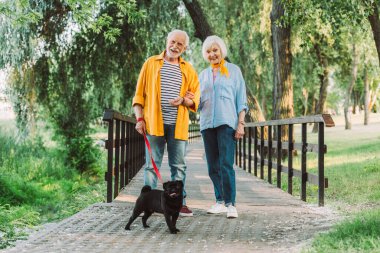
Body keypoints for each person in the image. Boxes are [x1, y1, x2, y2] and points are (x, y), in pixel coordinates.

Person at [132, 29, 200, 217]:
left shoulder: (189, 69)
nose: (175, 46)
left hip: (177, 125)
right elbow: (139, 96)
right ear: (167, 41)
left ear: (184, 48)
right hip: (154, 124)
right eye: (173, 42)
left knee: (178, 167)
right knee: (151, 165)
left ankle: (179, 204)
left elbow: (196, 99)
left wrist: (185, 101)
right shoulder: (150, 64)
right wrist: (139, 119)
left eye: (180, 44)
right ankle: (148, 203)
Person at [198, 35, 248, 218]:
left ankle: (231, 204)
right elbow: (197, 102)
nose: (212, 54)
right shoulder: (202, 75)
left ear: (221, 51)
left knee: (226, 164)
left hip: (227, 123)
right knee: (212, 166)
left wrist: (240, 124)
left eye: (215, 50)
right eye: (209, 51)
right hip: (207, 124)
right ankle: (219, 201)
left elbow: (241, 100)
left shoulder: (234, 71)